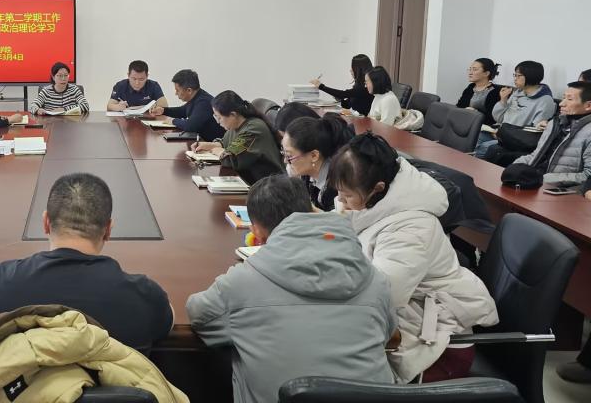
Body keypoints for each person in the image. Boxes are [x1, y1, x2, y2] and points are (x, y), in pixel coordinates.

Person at [187, 175, 396, 403]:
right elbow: (388, 333)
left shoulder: (240, 283)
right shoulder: (376, 280)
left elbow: (199, 314)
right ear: (310, 211)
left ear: (256, 231)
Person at [329, 133, 498, 383]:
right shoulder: (376, 205)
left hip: (435, 348)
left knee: (331, 366)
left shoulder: (411, 228)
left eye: (347, 195)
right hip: (409, 325)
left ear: (378, 188)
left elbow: (384, 296)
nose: (340, 202)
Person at [0, 173, 172, 351]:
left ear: (46, 222)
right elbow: (167, 323)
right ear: (108, 230)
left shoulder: (0, 284)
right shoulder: (144, 296)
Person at [190, 91, 283, 185]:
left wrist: (218, 151)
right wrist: (210, 145)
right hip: (247, 178)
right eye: (215, 117)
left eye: (219, 117)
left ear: (233, 115)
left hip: (266, 185)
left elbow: (230, 159)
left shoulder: (253, 130)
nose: (218, 122)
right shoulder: (236, 125)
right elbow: (226, 143)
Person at [512, 81, 591, 188]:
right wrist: (516, 166)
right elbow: (536, 155)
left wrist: (544, 179)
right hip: (536, 179)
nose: (561, 103)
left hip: (561, 189)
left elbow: (587, 175)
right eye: (563, 98)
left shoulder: (588, 133)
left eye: (569, 99)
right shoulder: (555, 123)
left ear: (588, 106)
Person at [475, 60, 557, 159]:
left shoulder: (545, 100)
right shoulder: (517, 93)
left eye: (519, 76)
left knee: (484, 147)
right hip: (500, 132)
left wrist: (504, 134)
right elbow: (499, 119)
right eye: (515, 75)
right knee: (475, 136)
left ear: (531, 76)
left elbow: (534, 133)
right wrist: (503, 100)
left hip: (516, 140)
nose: (515, 78)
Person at [282, 113, 355, 211]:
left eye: (289, 156)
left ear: (314, 156)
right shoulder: (307, 174)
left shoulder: (338, 186)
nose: (285, 161)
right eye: (283, 153)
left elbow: (336, 218)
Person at [148, 69, 225, 141]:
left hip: (211, 143)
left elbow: (190, 126)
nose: (175, 93)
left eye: (177, 90)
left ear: (189, 90)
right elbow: (182, 111)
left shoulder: (204, 102)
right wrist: (163, 110)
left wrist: (173, 121)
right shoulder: (196, 97)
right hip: (200, 141)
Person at [456, 58, 503, 127]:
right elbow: (459, 106)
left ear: (486, 73)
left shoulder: (494, 91)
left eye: (475, 69)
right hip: (465, 122)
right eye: (470, 69)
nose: (470, 73)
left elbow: (492, 118)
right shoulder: (471, 87)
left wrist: (475, 112)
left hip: (481, 127)